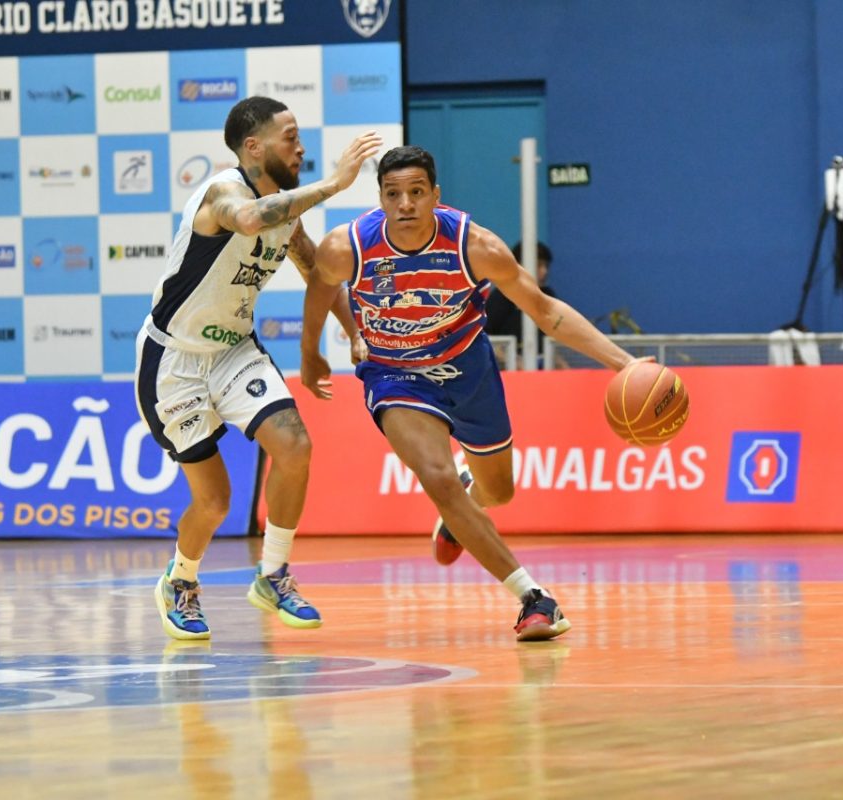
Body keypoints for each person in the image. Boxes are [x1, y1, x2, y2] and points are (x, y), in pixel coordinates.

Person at [299, 145, 639, 642]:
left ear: (435, 195)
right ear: (381, 199)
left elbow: (545, 312)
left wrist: (623, 363)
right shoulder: (346, 246)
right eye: (393, 194)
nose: (405, 204)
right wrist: (312, 350)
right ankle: (533, 598)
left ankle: (458, 517)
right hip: (395, 374)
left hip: (467, 368)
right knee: (437, 478)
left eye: (417, 192)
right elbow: (320, 286)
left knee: (498, 492)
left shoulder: (475, 246)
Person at [137, 96, 381, 640]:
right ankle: (181, 580)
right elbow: (248, 219)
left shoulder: (285, 213)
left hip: (234, 350)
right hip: (175, 359)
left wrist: (351, 331)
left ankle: (273, 574)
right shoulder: (223, 194)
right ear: (253, 147)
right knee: (215, 501)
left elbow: (318, 271)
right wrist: (336, 184)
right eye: (290, 137)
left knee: (295, 445)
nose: (301, 148)